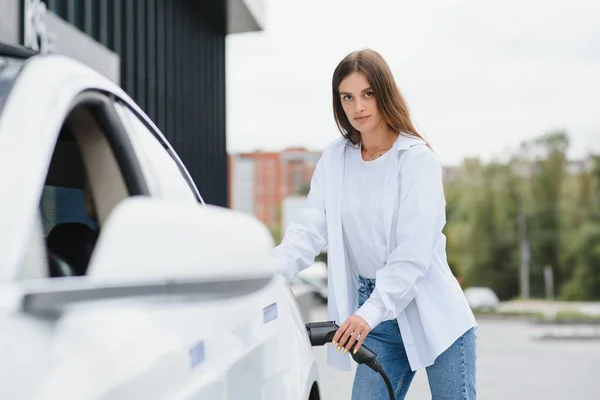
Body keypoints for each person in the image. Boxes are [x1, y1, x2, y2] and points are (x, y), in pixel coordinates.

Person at [272, 49, 477, 399]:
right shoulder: (336, 161)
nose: (358, 107)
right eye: (347, 97)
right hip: (378, 317)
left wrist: (369, 312)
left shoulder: (416, 161)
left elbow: (412, 254)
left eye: (367, 94)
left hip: (432, 312)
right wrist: (265, 275)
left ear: (384, 94)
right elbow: (307, 232)